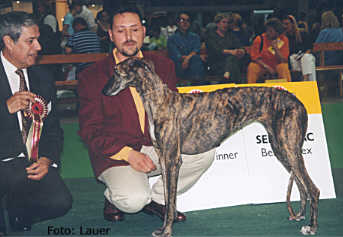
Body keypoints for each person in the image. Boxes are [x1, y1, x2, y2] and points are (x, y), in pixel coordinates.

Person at [78, 6, 215, 223]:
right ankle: (115, 196)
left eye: (134, 30)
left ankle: (159, 199)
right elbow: (89, 130)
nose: (129, 37)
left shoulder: (164, 65)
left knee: (203, 151)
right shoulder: (91, 76)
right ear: (111, 35)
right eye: (121, 31)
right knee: (132, 201)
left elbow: (173, 111)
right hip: (118, 152)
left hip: (157, 145)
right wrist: (129, 154)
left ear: (143, 31)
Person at [0, 11, 72, 234]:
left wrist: (47, 159)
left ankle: (15, 212)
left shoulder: (43, 78)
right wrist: (5, 109)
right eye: (30, 41)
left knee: (61, 203)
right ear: (8, 42)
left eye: (37, 39)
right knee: (14, 177)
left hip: (30, 163)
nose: (39, 47)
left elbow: (53, 131)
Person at [205, 12, 248, 83]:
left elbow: (239, 46)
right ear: (217, 23)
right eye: (223, 22)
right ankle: (237, 84)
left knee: (232, 60)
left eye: (227, 23)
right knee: (232, 61)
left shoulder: (231, 35)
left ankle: (227, 74)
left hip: (231, 61)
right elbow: (217, 51)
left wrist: (241, 50)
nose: (226, 25)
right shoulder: (210, 36)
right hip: (216, 62)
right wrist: (231, 52)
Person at [247, 17, 291, 83]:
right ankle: (251, 87)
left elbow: (284, 60)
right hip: (262, 66)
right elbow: (254, 57)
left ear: (277, 32)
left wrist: (276, 49)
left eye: (270, 31)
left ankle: (288, 88)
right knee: (252, 67)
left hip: (277, 66)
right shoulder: (260, 39)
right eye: (267, 30)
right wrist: (267, 67)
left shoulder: (284, 39)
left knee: (284, 67)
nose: (268, 33)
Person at [167, 12, 205, 85]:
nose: (185, 23)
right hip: (180, 66)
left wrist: (187, 59)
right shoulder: (172, 39)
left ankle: (198, 87)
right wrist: (189, 58)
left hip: (194, 64)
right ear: (177, 23)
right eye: (182, 20)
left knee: (196, 60)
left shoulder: (195, 37)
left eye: (187, 20)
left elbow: (196, 50)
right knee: (196, 59)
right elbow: (177, 56)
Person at [281, 14, 316, 81]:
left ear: (292, 24)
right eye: (283, 24)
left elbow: (309, 48)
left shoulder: (302, 33)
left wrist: (302, 55)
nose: (285, 26)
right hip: (293, 59)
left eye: (287, 24)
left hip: (305, 56)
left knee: (306, 58)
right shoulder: (284, 38)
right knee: (293, 59)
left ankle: (306, 80)